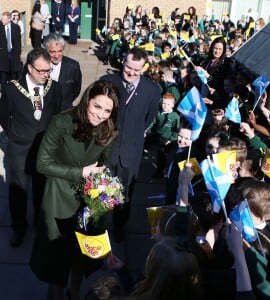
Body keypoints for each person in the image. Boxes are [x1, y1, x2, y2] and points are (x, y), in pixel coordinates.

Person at [30, 80, 119, 300]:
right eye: (97, 106)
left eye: (107, 110)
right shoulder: (61, 122)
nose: (100, 114)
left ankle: (76, 291)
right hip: (58, 197)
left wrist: (105, 185)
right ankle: (58, 293)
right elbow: (42, 164)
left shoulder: (109, 128)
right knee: (56, 258)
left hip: (88, 201)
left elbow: (104, 164)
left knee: (82, 254)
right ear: (87, 99)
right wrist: (80, 172)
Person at [0, 48, 62, 247]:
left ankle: (40, 223)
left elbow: (59, 115)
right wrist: (14, 135)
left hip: (45, 149)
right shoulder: (11, 89)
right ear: (29, 68)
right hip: (19, 149)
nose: (46, 74)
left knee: (42, 189)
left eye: (48, 70)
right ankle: (19, 228)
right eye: (42, 71)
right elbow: (3, 116)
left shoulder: (55, 88)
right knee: (18, 191)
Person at [101, 47, 161, 242]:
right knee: (101, 189)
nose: (131, 73)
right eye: (128, 67)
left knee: (125, 193)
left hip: (131, 150)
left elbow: (149, 118)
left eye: (137, 70)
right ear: (123, 62)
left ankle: (120, 225)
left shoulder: (152, 90)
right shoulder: (108, 82)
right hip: (106, 147)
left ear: (143, 68)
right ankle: (99, 225)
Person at [144, 92, 180, 179]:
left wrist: (172, 139)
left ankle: (165, 172)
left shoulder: (175, 116)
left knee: (165, 156)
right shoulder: (158, 112)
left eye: (168, 104)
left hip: (169, 139)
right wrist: (146, 130)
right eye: (163, 103)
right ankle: (159, 172)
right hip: (158, 137)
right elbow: (153, 122)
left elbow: (177, 130)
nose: (165, 106)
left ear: (172, 105)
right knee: (159, 154)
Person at [44, 33, 82, 110]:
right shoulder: (38, 65)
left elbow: (76, 89)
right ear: (46, 50)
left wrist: (66, 103)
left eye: (59, 51)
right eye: (52, 52)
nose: (56, 56)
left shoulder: (73, 66)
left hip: (64, 110)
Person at [0, 12, 21, 90]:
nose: (2, 20)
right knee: (3, 74)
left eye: (4, 19)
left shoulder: (16, 27)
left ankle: (13, 90)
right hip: (3, 54)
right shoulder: (0, 27)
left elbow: (18, 43)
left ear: (9, 19)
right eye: (2, 19)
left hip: (13, 53)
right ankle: (4, 91)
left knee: (13, 73)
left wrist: (18, 54)